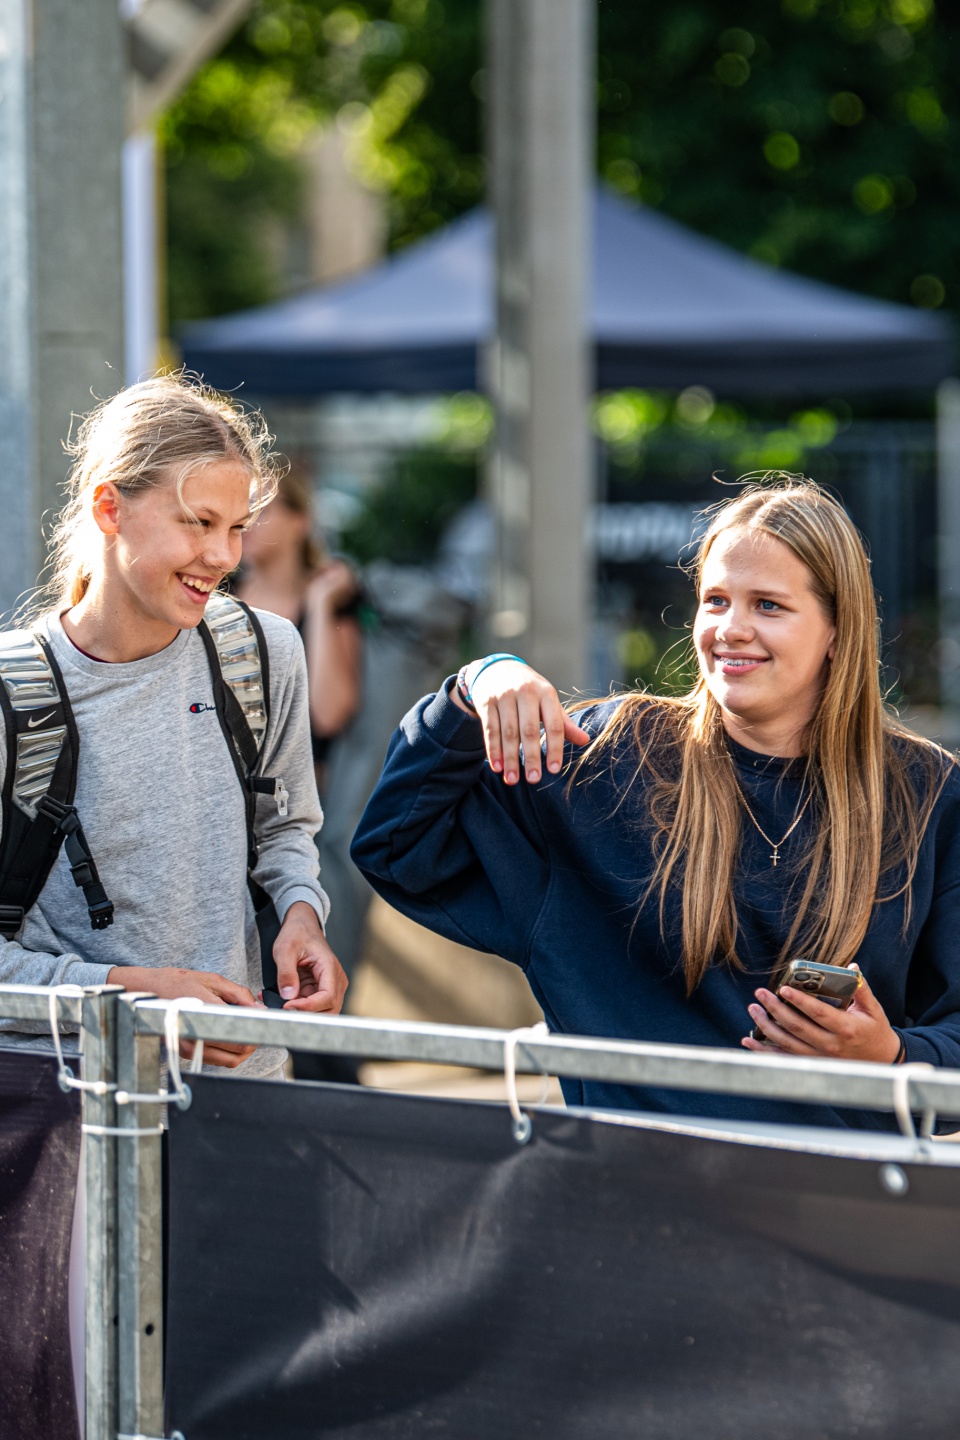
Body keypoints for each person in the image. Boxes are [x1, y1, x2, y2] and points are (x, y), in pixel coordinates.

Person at [352, 479, 960, 1129]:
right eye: (715, 600)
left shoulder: (927, 794)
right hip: (633, 1179)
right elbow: (396, 844)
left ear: (838, 629)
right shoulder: (609, 760)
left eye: (769, 606)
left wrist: (893, 1057)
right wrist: (474, 686)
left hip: (842, 1186)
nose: (731, 629)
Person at [0, 377, 347, 1076]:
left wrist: (301, 913)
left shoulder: (263, 652)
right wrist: (134, 999)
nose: (224, 556)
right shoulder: (12, 693)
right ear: (109, 508)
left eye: (237, 526)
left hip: (243, 1094)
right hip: (72, 1111)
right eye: (198, 522)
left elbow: (285, 829)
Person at [235, 464, 363, 798]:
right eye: (241, 508)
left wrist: (319, 605)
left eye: (261, 509)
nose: (245, 520)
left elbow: (330, 715)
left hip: (298, 798)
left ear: (300, 521)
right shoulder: (217, 599)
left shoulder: (332, 600)